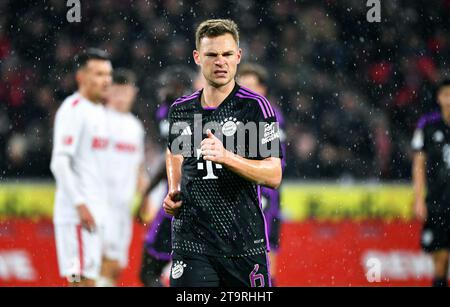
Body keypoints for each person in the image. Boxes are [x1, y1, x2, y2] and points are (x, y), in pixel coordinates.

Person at [164, 19, 283, 287]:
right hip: (192, 243)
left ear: (238, 56)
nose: (221, 61)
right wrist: (173, 188)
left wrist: (227, 157)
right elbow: (173, 151)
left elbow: (274, 174)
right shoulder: (181, 110)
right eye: (212, 55)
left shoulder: (256, 108)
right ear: (197, 57)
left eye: (227, 54)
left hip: (243, 243)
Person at [50, 48, 112, 287]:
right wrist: (80, 204)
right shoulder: (73, 109)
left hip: (94, 212)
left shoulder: (98, 111)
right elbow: (60, 162)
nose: (106, 80)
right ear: (81, 78)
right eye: (98, 74)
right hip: (77, 216)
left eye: (108, 74)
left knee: (88, 281)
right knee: (79, 282)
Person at [139, 66, 195, 287]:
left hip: (178, 201)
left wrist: (148, 191)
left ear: (180, 87)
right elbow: (171, 156)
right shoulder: (172, 111)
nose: (161, 92)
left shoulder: (179, 113)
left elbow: (174, 159)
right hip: (194, 202)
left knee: (149, 271)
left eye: (166, 86)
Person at [237, 63, 286, 285]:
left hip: (264, 191)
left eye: (251, 86)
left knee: (265, 252)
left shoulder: (270, 115)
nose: (245, 91)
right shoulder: (233, 113)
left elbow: (274, 162)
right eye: (242, 86)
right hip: (241, 191)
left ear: (263, 89)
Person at [98, 69, 148, 287]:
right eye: (116, 91)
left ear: (133, 93)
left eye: (125, 91)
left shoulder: (135, 127)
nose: (120, 97)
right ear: (107, 92)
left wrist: (145, 196)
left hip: (123, 207)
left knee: (116, 266)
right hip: (99, 204)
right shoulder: (97, 121)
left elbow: (137, 166)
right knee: (99, 262)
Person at [412, 78, 450, 287]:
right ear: (439, 98)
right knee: (440, 259)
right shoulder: (428, 125)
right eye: (446, 95)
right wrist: (419, 199)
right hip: (437, 201)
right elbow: (418, 164)